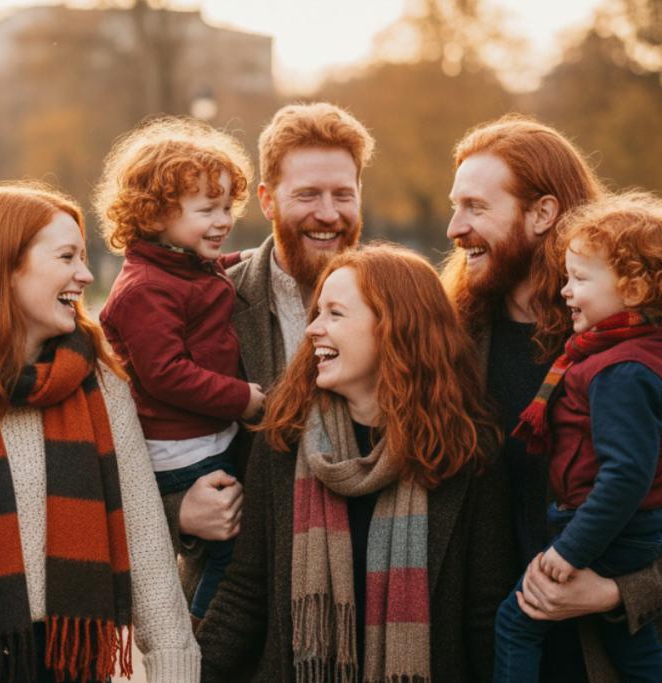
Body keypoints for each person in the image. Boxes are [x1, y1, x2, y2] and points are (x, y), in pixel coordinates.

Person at [0, 182, 199, 683]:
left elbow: (147, 543)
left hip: (77, 664)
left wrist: (175, 671)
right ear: (3, 268)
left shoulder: (101, 385)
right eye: (67, 256)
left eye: (84, 257)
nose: (86, 275)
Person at [196, 243, 516, 681]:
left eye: (335, 314)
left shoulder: (466, 452)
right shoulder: (285, 439)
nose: (313, 329)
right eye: (316, 312)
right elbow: (246, 593)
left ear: (394, 328)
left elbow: (485, 616)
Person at [444, 114, 662, 681]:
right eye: (454, 205)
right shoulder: (454, 341)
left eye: (475, 207)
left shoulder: (630, 355)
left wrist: (618, 591)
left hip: (599, 656)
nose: (453, 227)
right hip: (480, 654)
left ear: (542, 213)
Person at [163, 101, 377, 590]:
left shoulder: (404, 305)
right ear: (267, 200)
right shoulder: (201, 305)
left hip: (372, 588)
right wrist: (180, 511)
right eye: (308, 195)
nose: (328, 214)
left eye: (343, 194)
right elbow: (136, 450)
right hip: (238, 594)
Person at [95, 117, 264, 623]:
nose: (222, 220)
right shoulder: (145, 289)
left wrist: (250, 258)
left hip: (204, 437)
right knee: (230, 553)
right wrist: (244, 398)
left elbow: (208, 280)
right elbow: (165, 373)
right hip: (182, 450)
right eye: (207, 210)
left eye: (228, 207)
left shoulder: (182, 262)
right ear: (156, 215)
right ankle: (197, 631)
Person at [493, 191, 662, 680]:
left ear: (632, 290)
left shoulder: (619, 371)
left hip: (609, 532)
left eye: (580, 279)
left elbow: (627, 474)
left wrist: (569, 550)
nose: (566, 291)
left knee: (517, 620)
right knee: (630, 643)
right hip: (624, 531)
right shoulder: (628, 354)